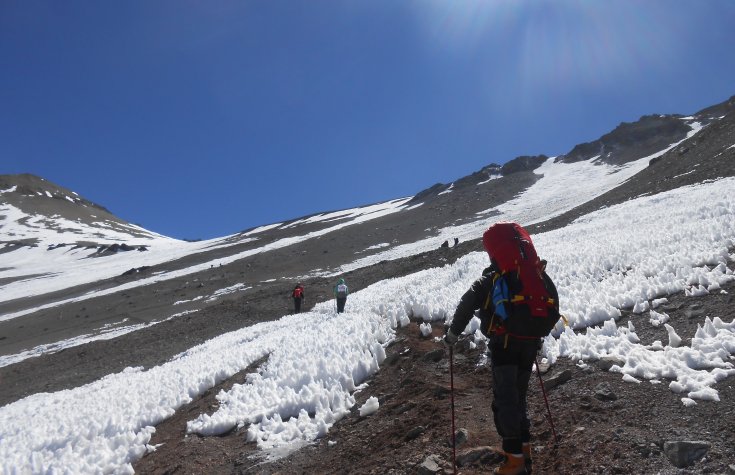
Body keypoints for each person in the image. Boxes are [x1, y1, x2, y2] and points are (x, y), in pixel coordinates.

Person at [444, 224, 559, 475]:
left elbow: (467, 302)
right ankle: (524, 452)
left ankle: (514, 462)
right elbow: (553, 304)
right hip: (530, 341)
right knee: (518, 397)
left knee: (505, 401)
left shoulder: (492, 277)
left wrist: (452, 335)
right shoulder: (534, 275)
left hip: (504, 344)